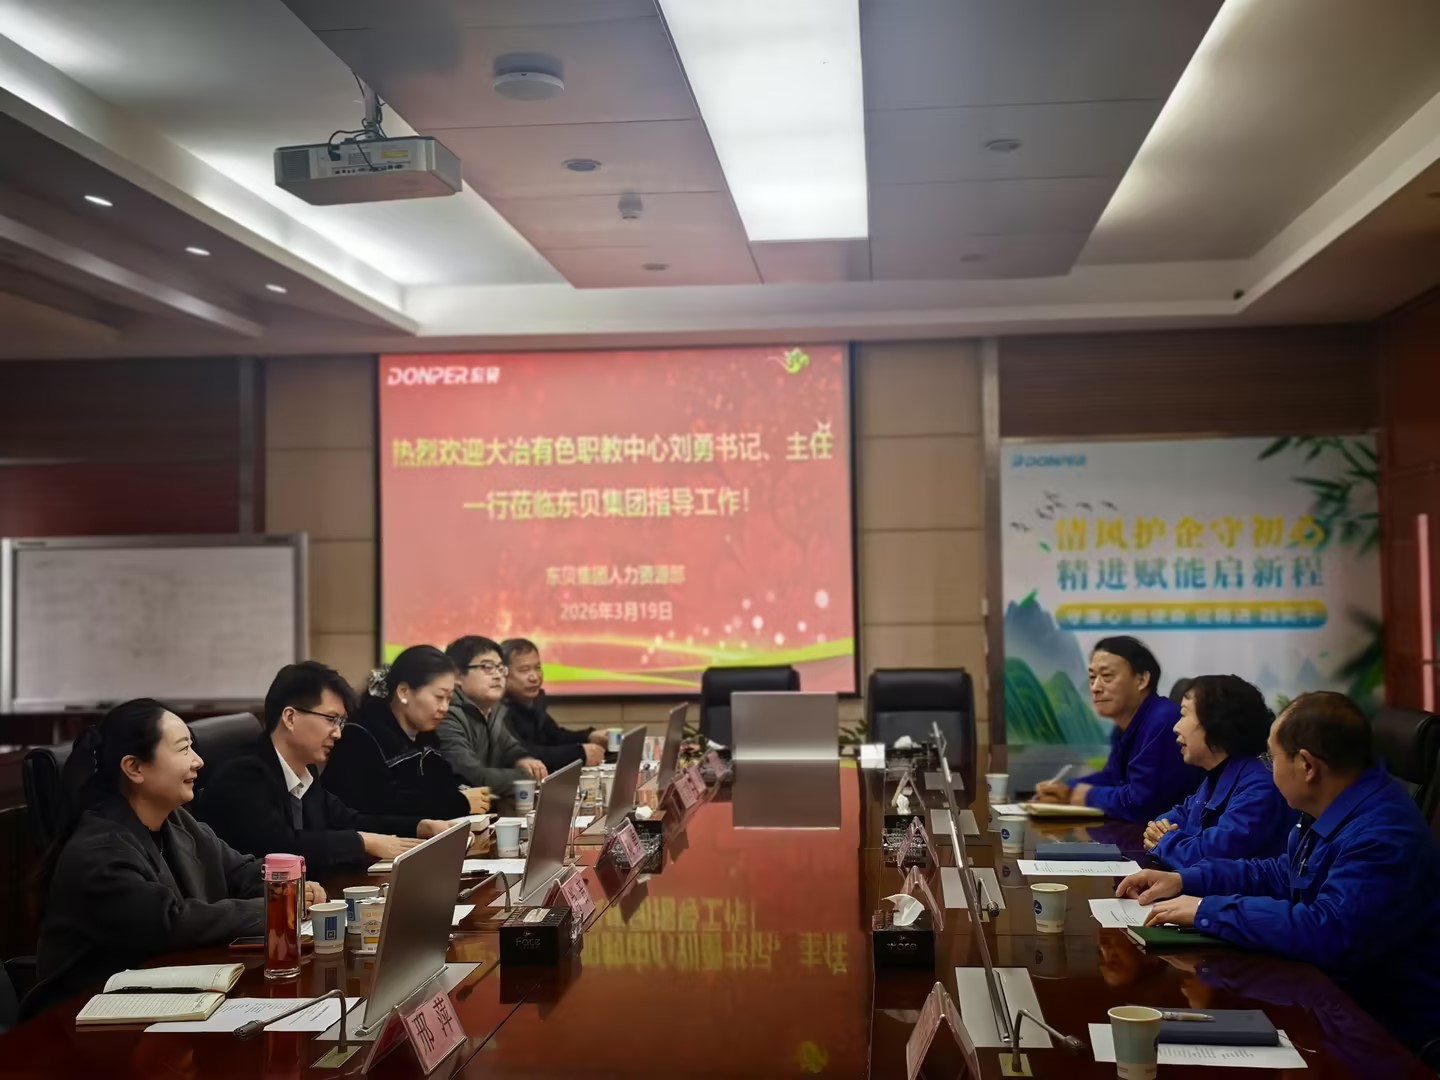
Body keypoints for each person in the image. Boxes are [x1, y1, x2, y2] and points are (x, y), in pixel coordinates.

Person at [1117, 692, 1440, 1054]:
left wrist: (1208, 910)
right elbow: (1281, 874)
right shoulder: (1331, 809)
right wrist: (1184, 880)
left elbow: (1327, 931)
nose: (1267, 769)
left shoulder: (1382, 836)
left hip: (1380, 1033)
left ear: (1307, 765)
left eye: (1271, 758)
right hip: (1327, 1003)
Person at [23, 700, 324, 1019]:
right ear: (134, 768)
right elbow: (171, 924)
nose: (198, 761)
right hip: (80, 1019)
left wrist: (291, 886)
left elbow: (240, 871)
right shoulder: (99, 852)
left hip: (162, 1001)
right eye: (183, 749)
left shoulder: (177, 821)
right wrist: (281, 906)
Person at [197, 662, 455, 872]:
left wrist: (419, 826)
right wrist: (362, 841)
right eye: (331, 719)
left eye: (341, 722)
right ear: (290, 717)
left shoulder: (305, 769)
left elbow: (347, 820)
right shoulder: (243, 774)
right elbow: (279, 846)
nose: (338, 733)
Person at [1033, 636, 1201, 821]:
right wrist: (1066, 789)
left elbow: (1141, 802)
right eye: (1092, 677)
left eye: (1107, 676)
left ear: (1142, 680)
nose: (1095, 687)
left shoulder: (1163, 720)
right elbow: (1113, 778)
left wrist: (1087, 795)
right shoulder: (1123, 726)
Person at [320, 646, 491, 820]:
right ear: (404, 692)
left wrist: (465, 792)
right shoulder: (360, 735)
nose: (444, 708)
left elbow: (443, 781)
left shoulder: (426, 737)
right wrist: (458, 802)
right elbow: (381, 804)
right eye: (439, 697)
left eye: (449, 699)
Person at [1143, 674, 1293, 868]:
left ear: (1216, 723)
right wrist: (1158, 831)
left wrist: (1164, 842)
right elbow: (1180, 815)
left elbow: (1212, 856)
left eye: (1184, 714)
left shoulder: (1260, 787)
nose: (1176, 727)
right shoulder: (1219, 773)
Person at [438, 636, 547, 795]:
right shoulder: (445, 715)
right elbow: (473, 777)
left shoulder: (492, 709)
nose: (498, 675)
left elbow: (510, 748)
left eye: (500, 668)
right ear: (457, 676)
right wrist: (528, 778)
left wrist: (522, 759)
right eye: (487, 667)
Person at [501, 638, 606, 771]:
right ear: (503, 674)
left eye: (537, 668)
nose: (535, 677)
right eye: (524, 670)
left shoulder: (534, 702)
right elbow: (520, 752)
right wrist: (579, 753)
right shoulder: (496, 710)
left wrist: (589, 737)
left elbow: (555, 737)